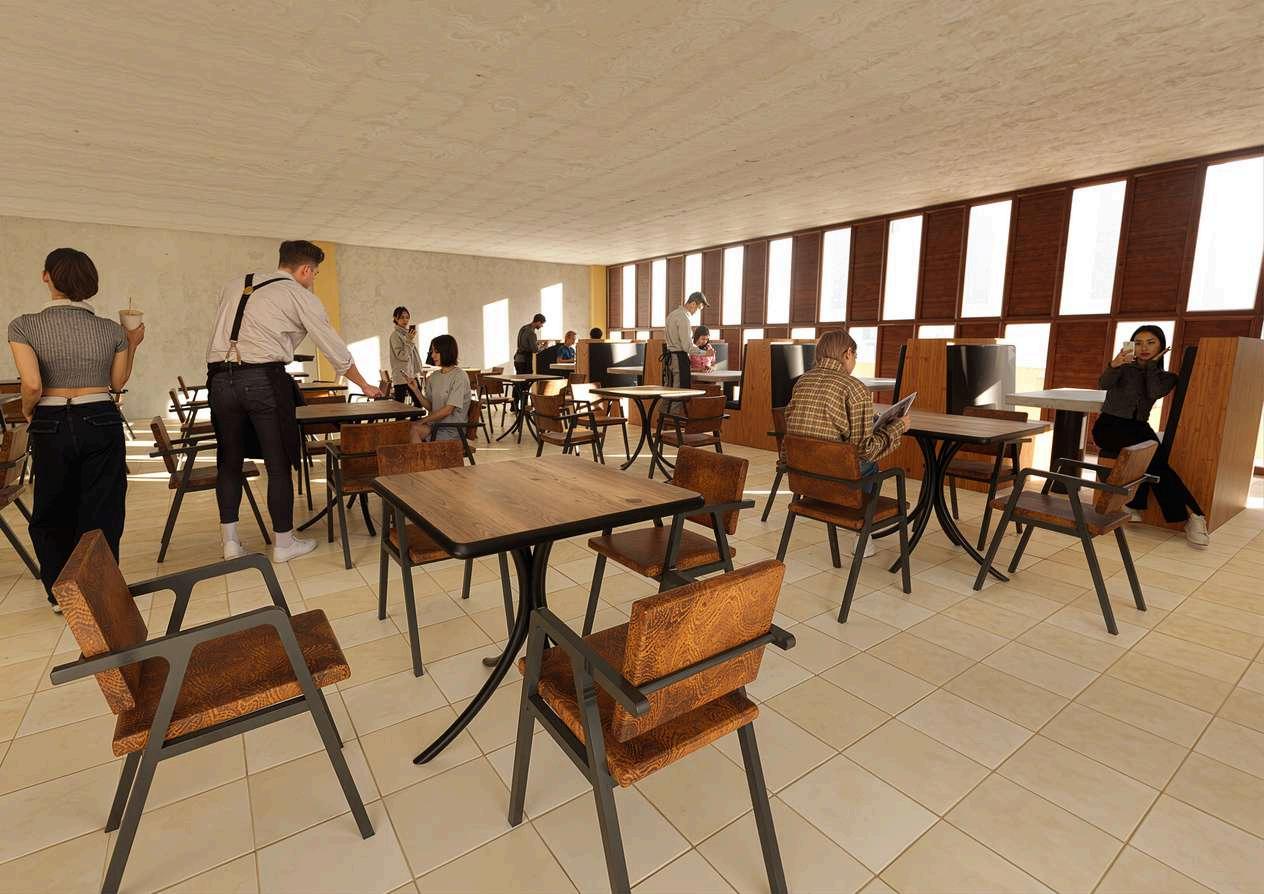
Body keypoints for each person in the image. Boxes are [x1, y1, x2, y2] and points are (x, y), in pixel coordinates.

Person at [206, 240, 382, 563]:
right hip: (262, 379)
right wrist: (364, 384)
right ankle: (284, 544)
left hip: (219, 380)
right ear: (305, 270)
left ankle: (230, 543)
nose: (313, 279)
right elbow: (332, 346)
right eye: (314, 273)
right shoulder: (298, 295)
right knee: (278, 462)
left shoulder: (236, 284)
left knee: (229, 461)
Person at [7, 248, 144, 611]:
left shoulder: (23, 326)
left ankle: (61, 594)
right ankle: (99, 589)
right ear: (91, 283)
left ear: (46, 276)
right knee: (103, 508)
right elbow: (117, 383)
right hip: (100, 416)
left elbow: (32, 385)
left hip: (50, 419)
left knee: (52, 507)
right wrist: (132, 343)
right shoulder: (111, 330)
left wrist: (28, 411)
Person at [785, 328, 909, 557]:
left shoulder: (802, 381)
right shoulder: (854, 387)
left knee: (851, 458)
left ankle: (849, 517)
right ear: (848, 353)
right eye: (856, 356)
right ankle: (862, 534)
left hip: (803, 475)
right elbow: (866, 450)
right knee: (870, 465)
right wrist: (898, 426)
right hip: (837, 478)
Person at [1092, 324, 1208, 547]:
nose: (1144, 348)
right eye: (1138, 343)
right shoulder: (1123, 368)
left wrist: (1152, 366)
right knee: (1155, 459)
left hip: (1139, 427)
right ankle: (1194, 516)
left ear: (1162, 347)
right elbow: (1103, 384)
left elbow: (1153, 391)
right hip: (1109, 426)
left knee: (1158, 462)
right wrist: (1114, 365)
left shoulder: (1167, 377)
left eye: (1151, 343)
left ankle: (1138, 505)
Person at [416, 334, 470, 442]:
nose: (432, 356)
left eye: (436, 352)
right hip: (435, 426)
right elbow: (431, 407)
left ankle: (425, 453)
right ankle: (423, 453)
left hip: (452, 430)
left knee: (412, 430)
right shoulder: (433, 376)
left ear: (447, 352)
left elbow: (448, 410)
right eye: (432, 352)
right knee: (407, 430)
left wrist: (422, 420)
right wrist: (415, 390)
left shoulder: (460, 376)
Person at [662, 291, 709, 389]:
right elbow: (687, 347)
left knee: (669, 391)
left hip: (670, 358)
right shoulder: (684, 318)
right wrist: (706, 353)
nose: (698, 312)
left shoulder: (672, 315)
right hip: (679, 359)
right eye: (699, 308)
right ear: (693, 304)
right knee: (680, 393)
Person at [388, 306, 424, 404]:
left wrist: (409, 339)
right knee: (401, 406)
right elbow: (402, 356)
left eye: (407, 317)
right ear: (395, 318)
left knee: (418, 402)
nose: (405, 320)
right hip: (402, 377)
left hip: (410, 375)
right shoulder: (395, 335)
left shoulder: (405, 334)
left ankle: (414, 415)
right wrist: (409, 341)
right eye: (402, 317)